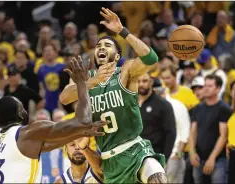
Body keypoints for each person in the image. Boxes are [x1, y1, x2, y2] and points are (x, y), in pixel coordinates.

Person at [60, 7, 167, 184]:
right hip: (109, 160)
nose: (101, 47)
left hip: (135, 150)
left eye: (107, 45)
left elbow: (151, 59)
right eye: (98, 46)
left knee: (157, 177)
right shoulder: (85, 79)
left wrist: (122, 31)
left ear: (117, 56)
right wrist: (90, 83)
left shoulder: (125, 72)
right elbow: (64, 98)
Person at [0, 58, 109, 183]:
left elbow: (50, 144)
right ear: (20, 113)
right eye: (22, 108)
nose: (26, 111)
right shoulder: (28, 133)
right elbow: (84, 121)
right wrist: (81, 84)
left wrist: (79, 133)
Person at [189, 75, 232, 183]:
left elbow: (223, 136)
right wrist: (192, 152)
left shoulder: (223, 108)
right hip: (199, 156)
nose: (206, 88)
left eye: (210, 86)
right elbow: (193, 132)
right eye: (205, 85)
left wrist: (212, 158)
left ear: (218, 88)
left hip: (218, 159)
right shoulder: (198, 108)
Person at [153, 78, 190, 183]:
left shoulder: (177, 105)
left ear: (164, 90)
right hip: (154, 157)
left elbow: (185, 131)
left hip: (173, 155)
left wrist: (178, 154)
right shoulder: (150, 106)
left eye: (159, 92)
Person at [138, 74, 176, 161]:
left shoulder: (163, 105)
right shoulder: (131, 103)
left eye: (144, 81)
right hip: (134, 156)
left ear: (151, 82)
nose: (141, 84)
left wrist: (165, 158)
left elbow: (170, 133)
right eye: (138, 81)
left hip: (154, 155)